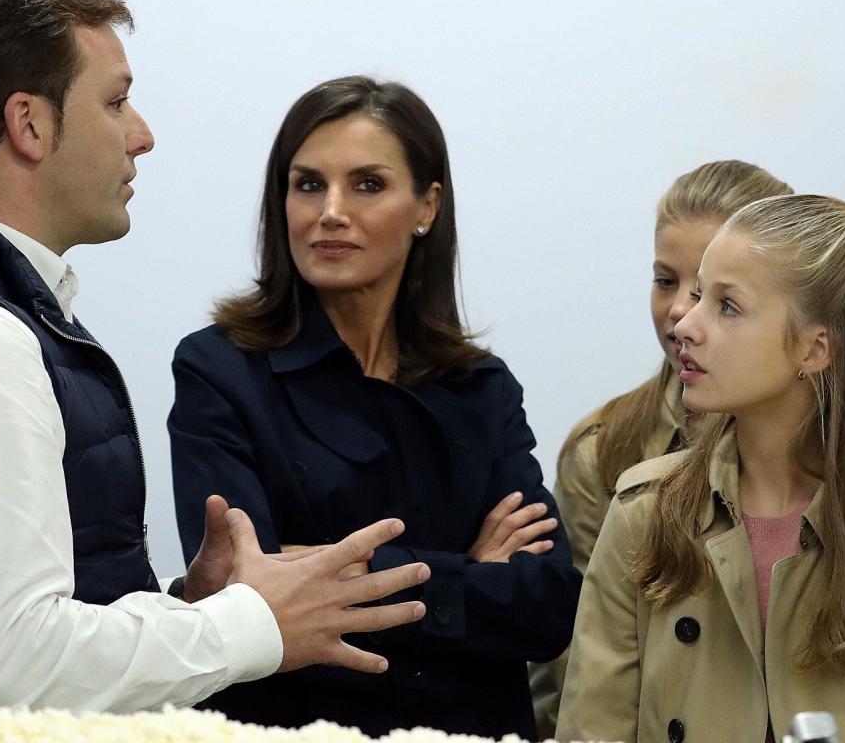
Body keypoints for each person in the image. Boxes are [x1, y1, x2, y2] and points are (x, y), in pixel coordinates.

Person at [0, 0, 429, 714]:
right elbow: (13, 665)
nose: (143, 136)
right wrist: (249, 623)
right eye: (116, 101)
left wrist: (189, 607)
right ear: (29, 124)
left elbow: (42, 630)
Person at [168, 76, 582, 739]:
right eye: (308, 184)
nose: (331, 211)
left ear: (427, 206)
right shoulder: (219, 370)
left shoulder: (482, 387)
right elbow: (250, 595)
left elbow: (547, 608)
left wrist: (351, 570)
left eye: (367, 184)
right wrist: (468, 575)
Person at [556, 196, 845, 742]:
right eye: (696, 295)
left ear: (815, 349)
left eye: (727, 307)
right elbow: (591, 730)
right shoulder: (644, 514)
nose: (685, 324)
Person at [529, 160, 791, 737]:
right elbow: (573, 671)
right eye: (665, 281)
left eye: (713, 293)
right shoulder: (605, 449)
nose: (678, 310)